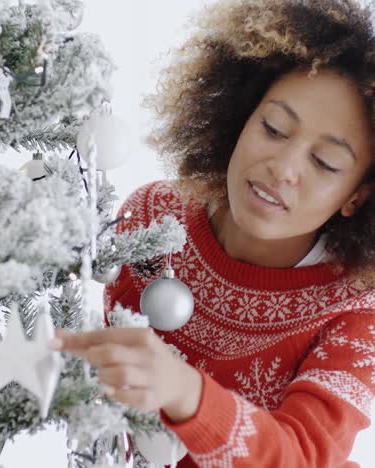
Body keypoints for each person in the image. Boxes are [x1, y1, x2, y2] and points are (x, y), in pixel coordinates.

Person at [52, 0, 375, 466]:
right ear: (240, 115)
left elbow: (304, 457)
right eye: (274, 128)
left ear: (356, 197)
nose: (282, 168)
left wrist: (187, 392)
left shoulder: (356, 313)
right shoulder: (153, 217)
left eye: (324, 163)